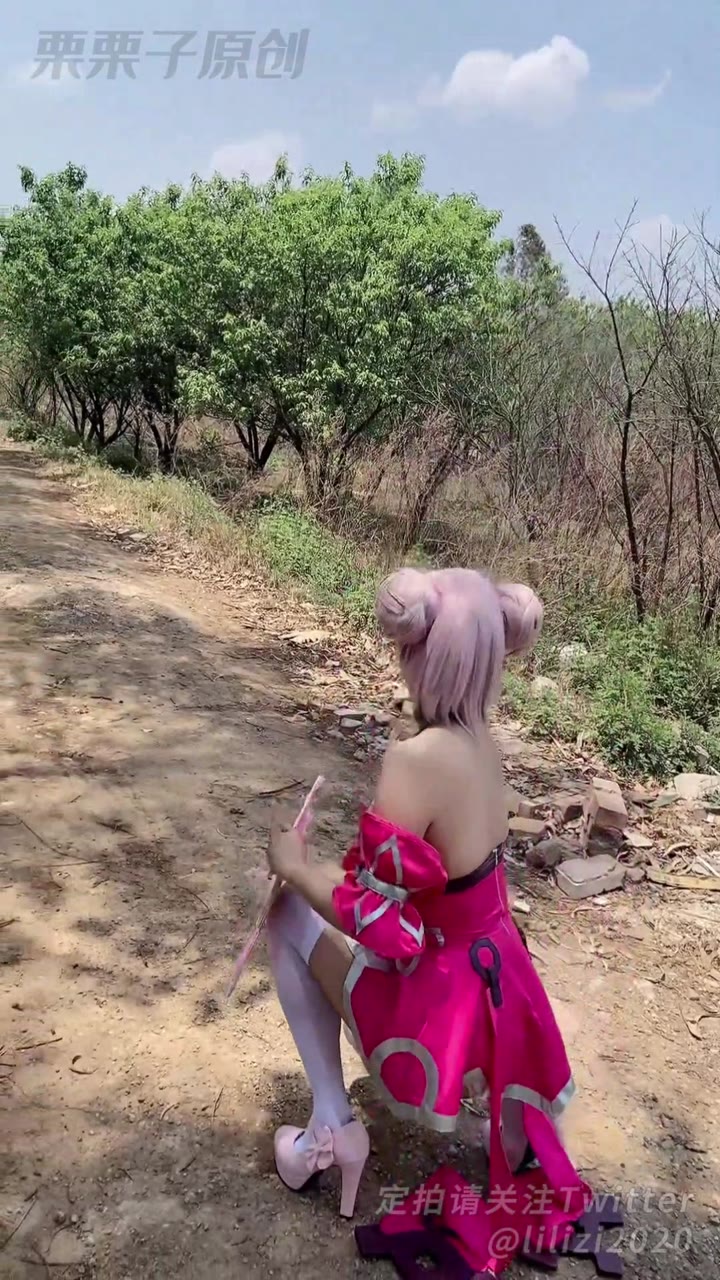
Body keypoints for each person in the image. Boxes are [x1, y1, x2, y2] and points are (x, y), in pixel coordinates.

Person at [265, 567, 573, 1221]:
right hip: (500, 980)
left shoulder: (418, 759)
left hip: (440, 997)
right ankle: (512, 1125)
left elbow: (376, 917)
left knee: (287, 912)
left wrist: (295, 867)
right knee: (313, 899)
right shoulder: (483, 742)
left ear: (419, 655)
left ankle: (330, 1127)